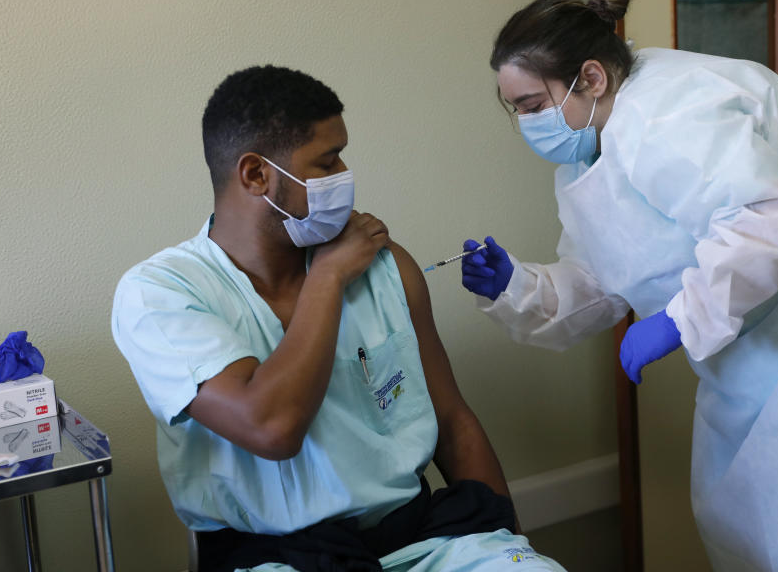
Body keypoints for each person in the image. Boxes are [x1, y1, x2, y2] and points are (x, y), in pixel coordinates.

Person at [461, 0, 778, 572]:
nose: (527, 124)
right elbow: (607, 274)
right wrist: (518, 288)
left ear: (591, 78)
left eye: (533, 106)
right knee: (751, 531)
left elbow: (775, 215)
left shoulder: (667, 112)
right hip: (753, 357)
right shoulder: (592, 146)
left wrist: (681, 318)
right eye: (517, 111)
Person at [112, 66, 565, 572]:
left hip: (422, 542)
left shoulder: (385, 265)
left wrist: (514, 546)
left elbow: (453, 421)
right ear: (256, 175)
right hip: (280, 560)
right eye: (327, 163)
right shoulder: (161, 293)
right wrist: (327, 280)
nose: (344, 175)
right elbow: (272, 428)